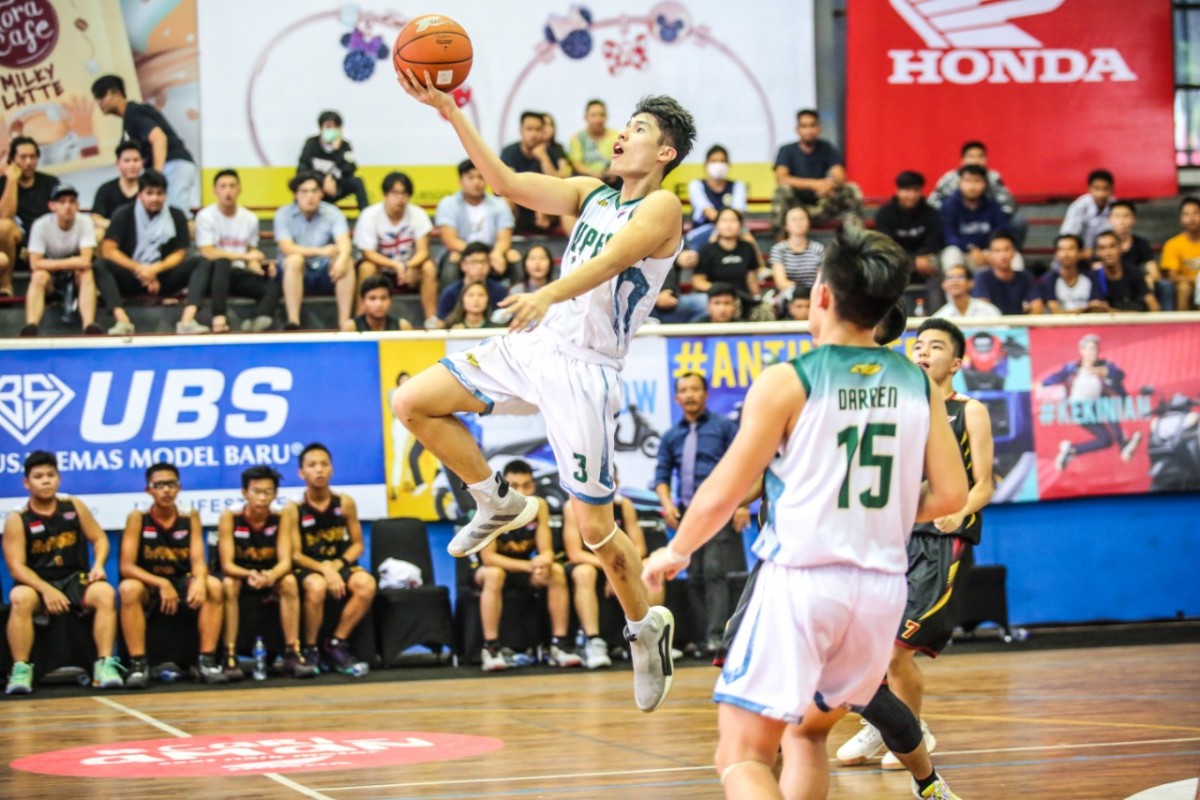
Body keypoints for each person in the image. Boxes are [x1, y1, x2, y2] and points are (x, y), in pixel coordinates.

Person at [395, 71, 695, 712]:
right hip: (536, 345)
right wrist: (451, 110)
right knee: (413, 402)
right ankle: (495, 499)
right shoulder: (591, 193)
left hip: (586, 369)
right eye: (625, 126)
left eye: (639, 129)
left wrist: (547, 293)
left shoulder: (663, 208)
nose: (623, 135)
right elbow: (506, 183)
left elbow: (613, 260)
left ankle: (644, 627)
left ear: (665, 152)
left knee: (596, 532)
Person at [642, 225, 967, 800]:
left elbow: (723, 489)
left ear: (822, 295)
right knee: (807, 735)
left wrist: (675, 550)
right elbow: (950, 496)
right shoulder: (918, 382)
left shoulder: (789, 380)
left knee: (742, 754)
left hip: (803, 582)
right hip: (879, 592)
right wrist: (884, 511)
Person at [837, 318, 993, 791]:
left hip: (944, 541)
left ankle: (910, 730)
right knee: (871, 643)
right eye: (918, 345)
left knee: (897, 649)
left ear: (957, 362)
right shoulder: (900, 409)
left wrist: (958, 510)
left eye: (936, 346)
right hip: (894, 539)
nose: (923, 352)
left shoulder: (970, 411)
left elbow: (985, 484)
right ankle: (886, 722)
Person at [4, 451, 124, 695]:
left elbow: (99, 539)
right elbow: (16, 566)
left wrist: (99, 565)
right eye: (38, 476)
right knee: (19, 598)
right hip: (37, 582)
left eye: (50, 475)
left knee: (104, 593)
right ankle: (21, 668)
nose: (45, 481)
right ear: (27, 483)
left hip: (73, 578)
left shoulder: (73, 506)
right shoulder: (18, 518)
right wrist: (47, 590)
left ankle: (104, 664)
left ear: (58, 479)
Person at [654, 372, 743, 655]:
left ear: (706, 394)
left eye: (695, 389)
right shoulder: (671, 435)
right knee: (692, 576)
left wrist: (741, 504)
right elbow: (662, 474)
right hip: (686, 513)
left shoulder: (724, 428)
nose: (690, 395)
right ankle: (703, 638)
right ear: (676, 398)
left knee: (714, 571)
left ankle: (718, 637)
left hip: (718, 509)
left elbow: (742, 466)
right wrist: (667, 503)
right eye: (684, 390)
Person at [117, 463, 226, 687]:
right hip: (149, 583)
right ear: (148, 490)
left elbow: (198, 560)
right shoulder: (138, 517)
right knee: (128, 588)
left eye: (171, 484)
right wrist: (161, 584)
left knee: (214, 586)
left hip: (181, 579)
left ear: (179, 488)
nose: (166, 490)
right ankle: (138, 665)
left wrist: (199, 580)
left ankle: (206, 661)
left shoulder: (189, 516)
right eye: (159, 485)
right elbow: (126, 566)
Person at [473, 460, 583, 671]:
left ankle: (559, 645)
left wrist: (544, 561)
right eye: (514, 486)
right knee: (495, 574)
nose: (521, 491)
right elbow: (489, 558)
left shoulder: (538, 506)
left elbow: (546, 550)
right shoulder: (489, 507)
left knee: (556, 571)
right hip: (488, 570)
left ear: (533, 486)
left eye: (526, 485)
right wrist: (530, 566)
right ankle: (491, 648)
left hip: (524, 568)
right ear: (503, 486)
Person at [282, 444, 377, 676]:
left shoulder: (344, 502)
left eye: (324, 464)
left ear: (332, 469)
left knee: (366, 584)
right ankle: (311, 648)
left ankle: (336, 643)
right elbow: (295, 554)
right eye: (312, 465)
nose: (319, 470)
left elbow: (357, 545)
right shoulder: (294, 508)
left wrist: (336, 566)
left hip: (339, 563)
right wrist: (325, 570)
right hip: (310, 567)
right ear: (301, 473)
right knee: (317, 586)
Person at [217, 465, 319, 680]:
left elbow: (286, 561)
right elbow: (227, 564)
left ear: (275, 493)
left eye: (268, 492)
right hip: (242, 574)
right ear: (245, 493)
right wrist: (250, 575)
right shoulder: (230, 517)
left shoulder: (281, 516)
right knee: (228, 584)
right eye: (256, 491)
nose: (262, 498)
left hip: (270, 575)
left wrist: (271, 576)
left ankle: (292, 652)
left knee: (289, 581)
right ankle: (230, 654)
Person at [561, 467, 661, 670]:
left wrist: (617, 569)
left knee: (652, 567)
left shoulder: (624, 505)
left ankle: (651, 638)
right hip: (592, 562)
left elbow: (640, 547)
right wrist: (611, 568)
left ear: (616, 482)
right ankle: (593, 641)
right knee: (584, 573)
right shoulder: (573, 507)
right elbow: (575, 553)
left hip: (619, 561)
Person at [93, 170, 214, 335]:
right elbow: (109, 250)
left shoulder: (176, 215)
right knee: (100, 265)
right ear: (140, 195)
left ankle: (187, 320)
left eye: (159, 193)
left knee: (202, 262)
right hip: (132, 275)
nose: (154, 198)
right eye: (149, 193)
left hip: (164, 276)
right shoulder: (124, 214)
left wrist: (156, 269)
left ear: (165, 195)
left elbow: (180, 252)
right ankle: (122, 321)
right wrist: (140, 269)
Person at [91, 74, 199, 214]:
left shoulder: (133, 113)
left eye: (102, 96)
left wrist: (156, 176)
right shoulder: (128, 119)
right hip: (173, 166)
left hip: (173, 165)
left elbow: (159, 138)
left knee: (176, 215)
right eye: (97, 98)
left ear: (117, 94)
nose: (99, 102)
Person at [1037, 334, 1142, 471]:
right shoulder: (1073, 368)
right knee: (1107, 407)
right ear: (1082, 350)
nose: (1094, 352)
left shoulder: (1104, 366)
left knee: (1106, 441)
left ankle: (1072, 450)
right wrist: (1043, 384)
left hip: (1096, 406)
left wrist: (1102, 371)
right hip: (1079, 408)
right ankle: (1122, 444)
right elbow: (1054, 378)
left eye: (1096, 349)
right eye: (1091, 349)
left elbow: (1119, 375)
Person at [196, 168, 281, 333]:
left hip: (238, 273)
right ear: (215, 191)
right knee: (222, 263)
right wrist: (244, 256)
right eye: (223, 186)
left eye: (232, 186)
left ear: (239, 189)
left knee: (273, 283)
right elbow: (207, 252)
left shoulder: (250, 218)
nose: (228, 191)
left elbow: (251, 252)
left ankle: (259, 321)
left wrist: (259, 266)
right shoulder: (205, 216)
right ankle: (219, 319)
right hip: (212, 275)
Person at [353, 171, 437, 324]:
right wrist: (395, 265)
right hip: (381, 269)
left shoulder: (418, 214)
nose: (400, 198)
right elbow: (368, 253)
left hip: (410, 269)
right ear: (385, 194)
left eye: (404, 193)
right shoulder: (369, 215)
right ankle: (360, 322)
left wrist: (407, 266)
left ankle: (431, 321)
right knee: (366, 267)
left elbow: (423, 251)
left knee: (429, 268)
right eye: (395, 193)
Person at [275, 171, 355, 330]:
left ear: (321, 193)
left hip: (325, 272)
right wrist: (321, 251)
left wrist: (342, 259)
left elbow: (344, 241)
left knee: (346, 261)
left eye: (314, 191)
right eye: (304, 191)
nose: (310, 196)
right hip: (295, 272)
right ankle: (293, 322)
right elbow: (287, 248)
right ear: (296, 194)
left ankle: (344, 324)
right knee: (294, 259)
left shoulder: (332, 213)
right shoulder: (283, 214)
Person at [22, 184, 103, 336]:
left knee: (86, 273)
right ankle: (31, 326)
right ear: (52, 206)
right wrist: (70, 262)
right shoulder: (40, 225)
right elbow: (35, 263)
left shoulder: (85, 222)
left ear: (77, 205)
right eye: (62, 202)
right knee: (38, 276)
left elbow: (85, 260)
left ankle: (89, 325)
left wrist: (67, 264)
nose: (67, 206)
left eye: (72, 201)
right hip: (50, 277)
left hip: (73, 275)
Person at [770, 109, 863, 232]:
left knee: (851, 189)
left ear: (819, 128)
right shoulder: (786, 150)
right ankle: (779, 239)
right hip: (795, 208)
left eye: (812, 125)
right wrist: (814, 184)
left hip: (823, 204)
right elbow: (781, 178)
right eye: (804, 126)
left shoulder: (827, 148)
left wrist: (831, 184)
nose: (809, 130)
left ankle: (857, 236)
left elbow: (839, 175)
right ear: (797, 129)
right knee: (782, 191)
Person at [435, 159, 519, 284]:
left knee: (513, 256)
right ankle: (451, 297)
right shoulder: (448, 204)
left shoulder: (499, 204)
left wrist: (496, 253)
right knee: (452, 260)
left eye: (481, 177)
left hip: (491, 251)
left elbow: (504, 239)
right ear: (461, 181)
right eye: (471, 178)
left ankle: (520, 293)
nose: (477, 182)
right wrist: (477, 256)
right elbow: (451, 241)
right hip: (463, 251)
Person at [929, 140, 1024, 247]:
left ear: (986, 159)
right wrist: (949, 214)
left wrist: (992, 218)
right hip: (955, 220)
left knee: (1017, 221)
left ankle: (1007, 253)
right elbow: (932, 202)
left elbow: (1009, 204)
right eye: (971, 156)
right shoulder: (950, 178)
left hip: (988, 221)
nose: (975, 160)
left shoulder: (993, 177)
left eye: (980, 157)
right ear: (963, 160)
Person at [874, 170, 944, 309]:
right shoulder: (884, 214)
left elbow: (934, 240)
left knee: (937, 267)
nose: (911, 195)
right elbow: (886, 244)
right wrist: (913, 260)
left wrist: (922, 256)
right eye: (906, 190)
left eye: (915, 190)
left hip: (926, 260)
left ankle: (936, 311)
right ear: (898, 191)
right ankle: (890, 312)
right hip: (897, 260)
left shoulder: (931, 213)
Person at [0, 136, 60, 295]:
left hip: (47, 241)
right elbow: (5, 216)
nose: (28, 162)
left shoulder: (51, 183)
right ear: (12, 160)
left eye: (32, 157)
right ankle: (5, 286)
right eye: (23, 157)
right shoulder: (3, 183)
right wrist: (12, 181)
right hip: (17, 245)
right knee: (4, 226)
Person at [693, 208, 766, 320]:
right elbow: (698, 281)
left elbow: (752, 280)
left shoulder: (747, 247)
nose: (728, 224)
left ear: (740, 225)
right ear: (716, 225)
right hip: (717, 298)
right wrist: (723, 290)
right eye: (724, 220)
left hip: (743, 297)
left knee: (763, 310)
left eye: (733, 220)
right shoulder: (707, 250)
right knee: (724, 304)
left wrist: (757, 298)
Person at [939, 164, 1011, 270]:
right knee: (951, 253)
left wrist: (991, 251)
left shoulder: (993, 206)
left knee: (1014, 257)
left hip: (987, 252)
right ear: (959, 183)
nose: (972, 186)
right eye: (967, 181)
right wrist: (971, 248)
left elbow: (1001, 230)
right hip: (962, 252)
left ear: (985, 184)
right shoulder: (949, 206)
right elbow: (949, 236)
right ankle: (956, 279)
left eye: (977, 181)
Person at [500, 111, 560, 234]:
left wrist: (543, 157)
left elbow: (557, 184)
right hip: (519, 203)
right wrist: (534, 201)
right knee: (505, 201)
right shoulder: (509, 152)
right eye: (529, 129)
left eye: (538, 130)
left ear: (543, 132)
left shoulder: (551, 151)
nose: (533, 134)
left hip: (544, 207)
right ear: (521, 131)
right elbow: (508, 186)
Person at [296, 110, 368, 210]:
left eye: (336, 127)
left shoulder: (345, 145)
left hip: (336, 187)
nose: (332, 130)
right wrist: (323, 180)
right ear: (320, 128)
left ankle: (365, 214)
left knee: (357, 182)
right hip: (317, 186)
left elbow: (350, 169)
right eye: (328, 127)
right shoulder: (311, 143)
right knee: (303, 186)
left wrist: (337, 151)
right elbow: (302, 169)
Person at [1109, 201, 1171, 311]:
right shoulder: (1103, 243)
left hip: (1138, 285)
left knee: (1165, 285)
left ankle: (1168, 319)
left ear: (1133, 219)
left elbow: (1154, 272)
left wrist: (1148, 278)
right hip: (1113, 283)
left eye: (1126, 216)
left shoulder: (1141, 244)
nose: (1121, 221)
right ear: (1109, 219)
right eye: (1117, 216)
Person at [687, 145, 748, 251]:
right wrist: (724, 226)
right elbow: (709, 212)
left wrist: (727, 227)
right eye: (714, 161)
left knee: (748, 239)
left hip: (732, 231)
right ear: (706, 164)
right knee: (714, 237)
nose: (719, 165)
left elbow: (738, 213)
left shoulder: (738, 185)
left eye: (722, 161)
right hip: (704, 231)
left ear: (728, 164)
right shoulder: (696, 185)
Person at [970, 232, 1044, 315]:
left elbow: (1037, 307)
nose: (1003, 255)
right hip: (993, 322)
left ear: (1014, 253)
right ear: (990, 255)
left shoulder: (1025, 277)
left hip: (1019, 322)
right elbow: (983, 310)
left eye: (1007, 249)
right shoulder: (982, 277)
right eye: (997, 251)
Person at [435, 241, 509, 324]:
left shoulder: (499, 291)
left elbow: (505, 322)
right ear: (463, 265)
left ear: (489, 265)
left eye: (483, 262)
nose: (480, 266)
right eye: (474, 262)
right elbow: (441, 323)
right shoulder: (450, 293)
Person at [1092, 231, 1159, 312]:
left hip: (1134, 317)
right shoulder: (1094, 276)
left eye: (1112, 246)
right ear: (1097, 252)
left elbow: (1151, 302)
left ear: (1120, 248)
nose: (1108, 253)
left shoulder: (1134, 272)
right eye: (1102, 248)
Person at [1040, 234, 1106, 314]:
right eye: (1061, 249)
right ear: (1056, 254)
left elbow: (1096, 308)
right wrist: (1084, 309)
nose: (1066, 254)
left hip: (1087, 321)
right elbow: (1056, 312)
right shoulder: (1048, 279)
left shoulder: (1091, 277)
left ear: (1080, 253)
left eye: (1071, 249)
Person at [90, 142, 143, 237]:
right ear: (117, 164)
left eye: (136, 160)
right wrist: (119, 226)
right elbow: (96, 218)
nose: (132, 165)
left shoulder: (149, 189)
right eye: (127, 161)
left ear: (142, 163)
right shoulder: (106, 189)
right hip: (114, 235)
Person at [769, 206, 825, 294]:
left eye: (802, 219)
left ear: (809, 223)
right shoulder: (778, 250)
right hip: (788, 294)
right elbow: (781, 283)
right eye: (794, 219)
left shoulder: (818, 249)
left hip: (813, 294)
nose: (798, 222)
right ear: (786, 225)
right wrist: (800, 292)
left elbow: (820, 280)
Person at [1158, 196, 1200, 311]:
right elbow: (1173, 276)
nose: (1191, 218)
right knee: (1183, 287)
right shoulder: (1172, 244)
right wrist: (1196, 281)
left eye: (1196, 213)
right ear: (1180, 219)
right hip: (1185, 285)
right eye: (1187, 214)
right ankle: (1183, 321)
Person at [1060, 169, 1114, 253]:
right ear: (1089, 189)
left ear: (1111, 190)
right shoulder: (1078, 207)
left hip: (1106, 254)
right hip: (1080, 255)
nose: (1101, 194)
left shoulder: (1116, 207)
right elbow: (1068, 238)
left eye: (1105, 189)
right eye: (1097, 189)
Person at [568, 99, 619, 181]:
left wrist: (614, 171)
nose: (598, 119)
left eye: (602, 115)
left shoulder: (616, 136)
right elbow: (576, 164)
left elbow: (623, 159)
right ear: (586, 117)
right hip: (586, 180)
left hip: (613, 178)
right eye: (594, 115)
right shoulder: (578, 137)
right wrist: (593, 173)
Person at [932, 264, 1001, 318]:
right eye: (950, 278)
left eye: (960, 277)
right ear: (943, 285)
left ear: (970, 283)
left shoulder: (989, 311)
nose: (955, 282)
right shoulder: (940, 316)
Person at [540, 113, 573, 179]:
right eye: (544, 124)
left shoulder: (557, 148)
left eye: (550, 125)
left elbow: (564, 174)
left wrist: (542, 155)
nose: (547, 128)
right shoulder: (528, 149)